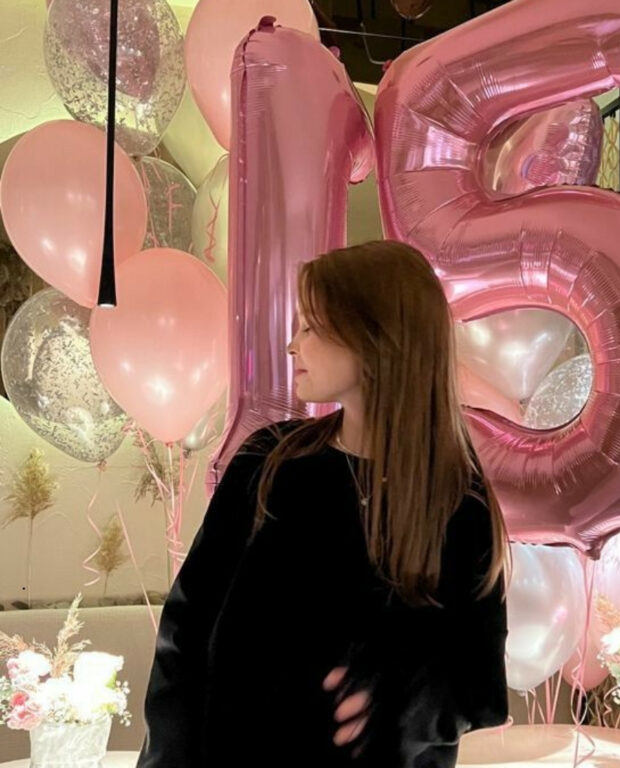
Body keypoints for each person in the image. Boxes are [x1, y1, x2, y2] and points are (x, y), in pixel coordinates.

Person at [136, 240, 511, 768]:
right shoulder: (267, 462)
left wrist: (397, 698)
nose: (293, 346)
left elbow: (480, 690)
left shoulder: (458, 504)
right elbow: (185, 635)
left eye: (311, 326)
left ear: (374, 336)